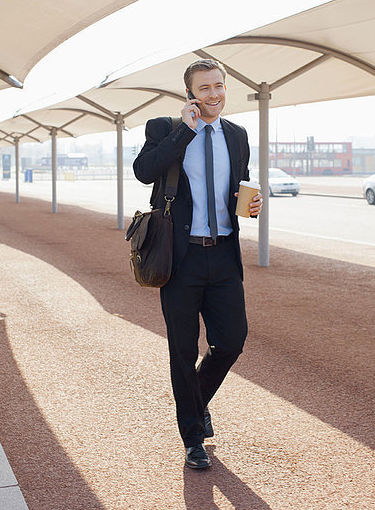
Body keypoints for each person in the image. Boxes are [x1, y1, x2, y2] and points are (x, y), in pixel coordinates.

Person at [133, 59, 262, 469]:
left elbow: (237, 186)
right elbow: (143, 171)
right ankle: (192, 436)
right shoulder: (164, 127)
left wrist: (251, 205)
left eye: (219, 86)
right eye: (204, 88)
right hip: (181, 257)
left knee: (231, 341)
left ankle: (194, 403)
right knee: (183, 350)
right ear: (190, 93)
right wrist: (185, 131)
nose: (214, 94)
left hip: (223, 253)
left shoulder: (238, 135)